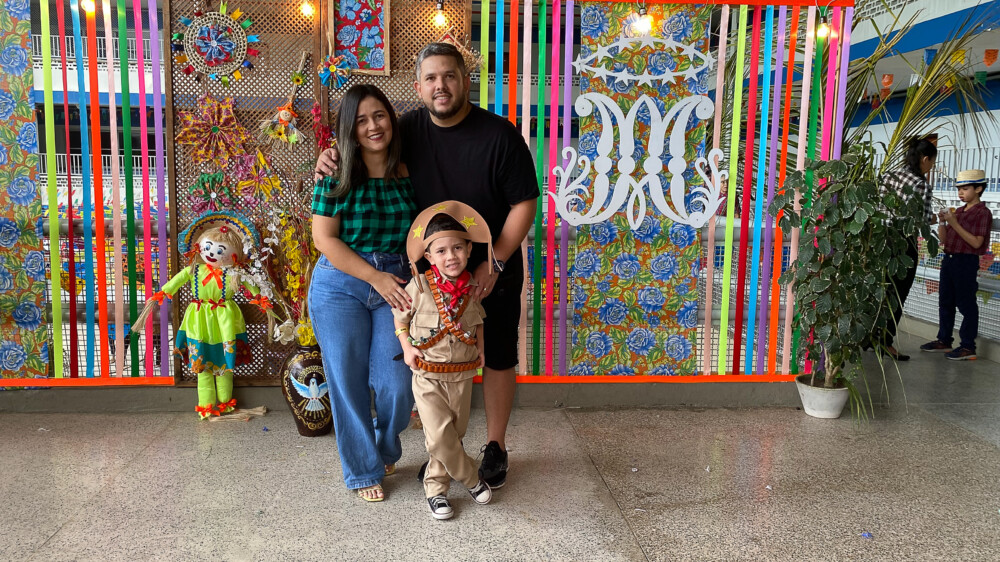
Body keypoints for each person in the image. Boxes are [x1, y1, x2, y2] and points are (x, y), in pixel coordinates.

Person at [315, 42, 538, 488]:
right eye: (431, 78)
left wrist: (493, 261)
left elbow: (525, 203)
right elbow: (360, 142)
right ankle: (442, 452)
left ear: (465, 81)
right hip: (427, 276)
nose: (441, 86)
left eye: (449, 76)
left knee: (495, 354)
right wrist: (328, 156)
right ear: (418, 87)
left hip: (490, 266)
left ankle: (495, 446)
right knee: (429, 362)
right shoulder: (406, 130)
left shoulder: (499, 134)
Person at [308, 84, 416, 502]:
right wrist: (374, 277)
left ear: (391, 118)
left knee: (397, 382)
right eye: (360, 120)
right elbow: (324, 239)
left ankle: (385, 447)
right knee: (346, 381)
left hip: (396, 283)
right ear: (349, 130)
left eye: (379, 115)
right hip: (341, 285)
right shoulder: (335, 173)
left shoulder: (408, 170)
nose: (373, 126)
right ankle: (361, 470)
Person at [393, 202, 495, 520]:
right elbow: (401, 318)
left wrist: (481, 350)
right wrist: (407, 347)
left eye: (457, 248)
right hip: (427, 376)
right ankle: (471, 478)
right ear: (429, 256)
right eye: (441, 251)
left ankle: (436, 491)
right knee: (438, 436)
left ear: (469, 249)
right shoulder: (419, 286)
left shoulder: (472, 289)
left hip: (462, 375)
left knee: (453, 435)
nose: (450, 256)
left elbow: (478, 322)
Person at [133, 211, 276, 418]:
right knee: (202, 365)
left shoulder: (235, 273)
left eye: (219, 250)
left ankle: (226, 402)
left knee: (224, 364)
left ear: (234, 254)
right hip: (199, 318)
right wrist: (161, 294)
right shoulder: (194, 270)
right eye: (207, 248)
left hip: (224, 320)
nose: (211, 254)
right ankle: (206, 405)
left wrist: (262, 300)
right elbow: (175, 282)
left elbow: (252, 287)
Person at [872, 136, 938, 361]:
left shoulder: (889, 176)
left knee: (880, 288)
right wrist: (938, 217)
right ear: (925, 159)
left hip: (880, 238)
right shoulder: (921, 184)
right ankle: (885, 341)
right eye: (932, 162)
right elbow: (923, 219)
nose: (931, 167)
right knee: (898, 292)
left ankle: (871, 336)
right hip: (903, 240)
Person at [920, 169, 993, 361]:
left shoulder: (983, 213)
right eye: (959, 189)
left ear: (978, 189)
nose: (960, 193)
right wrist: (942, 223)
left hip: (966, 261)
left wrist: (954, 223)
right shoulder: (958, 212)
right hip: (950, 259)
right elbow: (944, 240)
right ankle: (944, 339)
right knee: (945, 301)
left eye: (965, 189)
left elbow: (976, 243)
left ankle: (968, 346)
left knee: (966, 303)